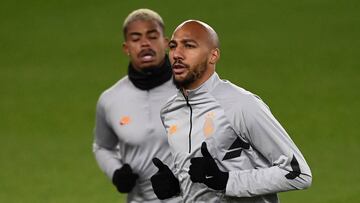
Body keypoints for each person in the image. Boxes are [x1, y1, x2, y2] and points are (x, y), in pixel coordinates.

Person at [150, 20, 312, 202]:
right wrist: (176, 186)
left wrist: (227, 181)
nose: (177, 54)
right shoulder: (170, 112)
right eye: (173, 46)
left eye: (189, 46)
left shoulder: (241, 104)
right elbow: (204, 178)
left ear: (213, 56)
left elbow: (298, 173)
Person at [93, 9, 180, 203]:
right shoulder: (111, 100)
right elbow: (102, 146)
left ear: (166, 43)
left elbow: (220, 146)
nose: (145, 43)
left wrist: (183, 181)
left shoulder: (193, 92)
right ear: (126, 48)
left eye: (152, 36)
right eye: (136, 38)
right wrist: (116, 172)